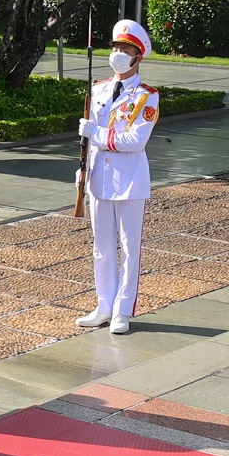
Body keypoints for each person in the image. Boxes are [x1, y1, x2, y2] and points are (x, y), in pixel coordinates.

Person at [77, 19, 159, 336]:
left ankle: (124, 310)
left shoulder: (146, 96)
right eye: (116, 48)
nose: (118, 54)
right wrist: (82, 170)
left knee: (129, 246)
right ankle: (104, 305)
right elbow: (86, 142)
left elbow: (135, 141)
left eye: (125, 49)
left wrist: (96, 133)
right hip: (98, 178)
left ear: (138, 56)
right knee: (102, 247)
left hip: (130, 181)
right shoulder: (97, 90)